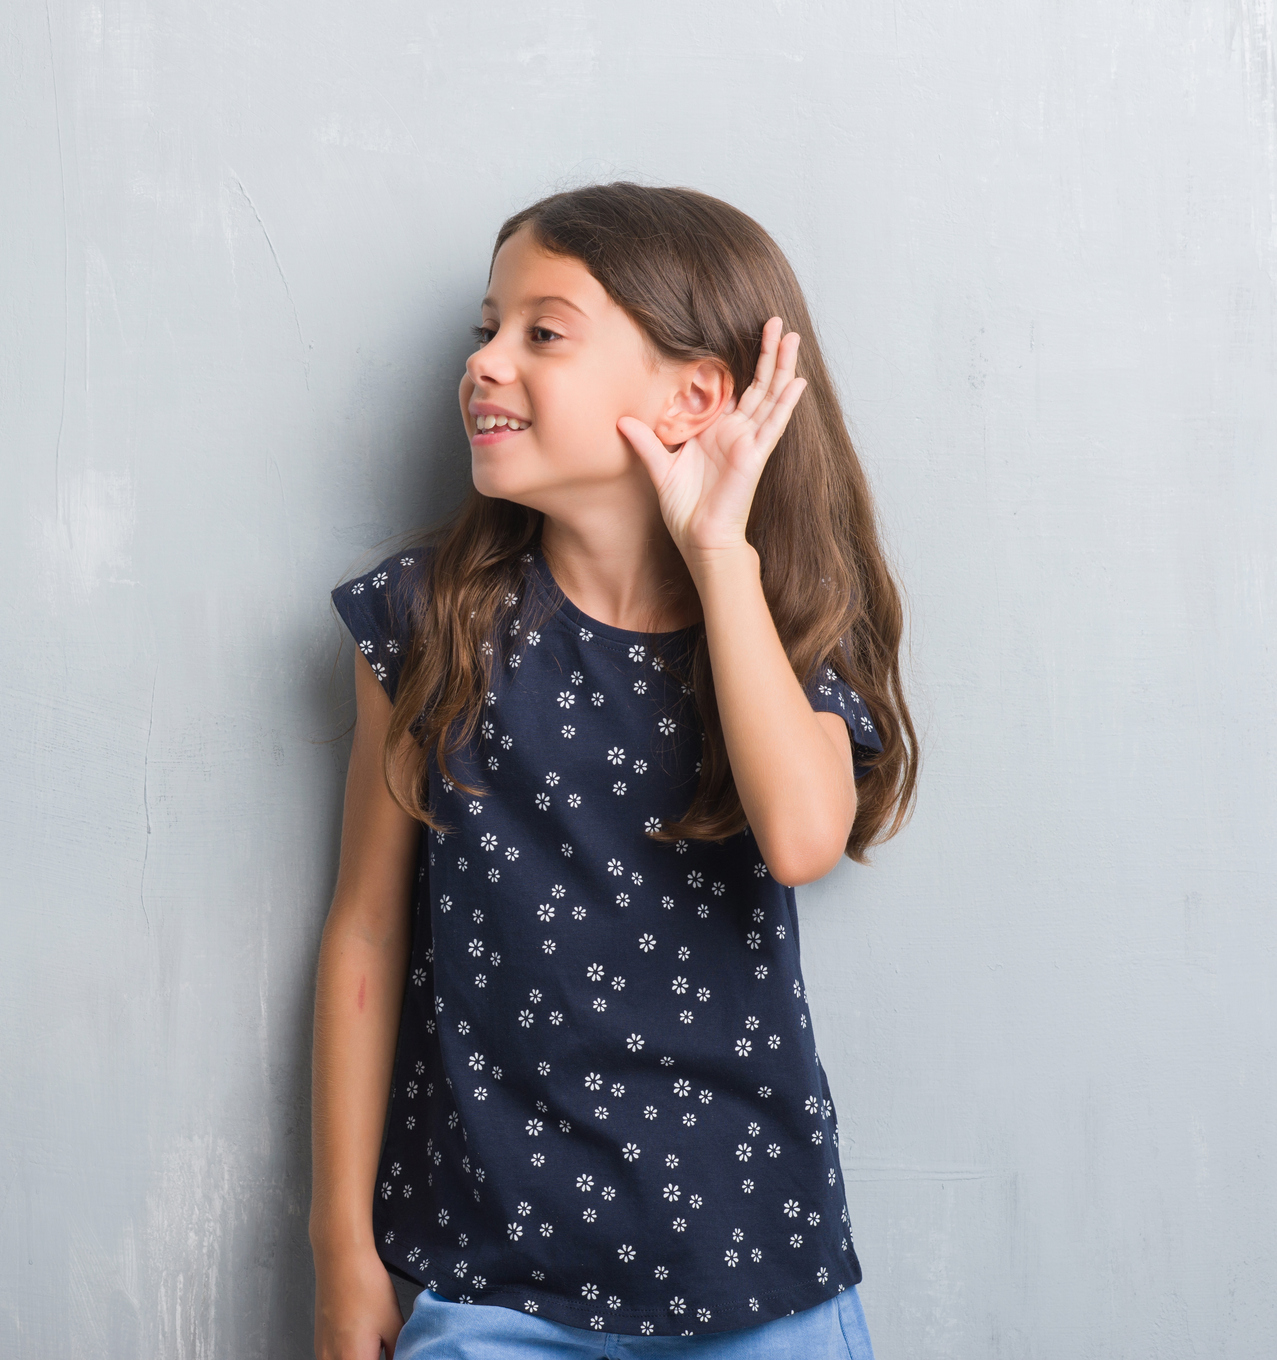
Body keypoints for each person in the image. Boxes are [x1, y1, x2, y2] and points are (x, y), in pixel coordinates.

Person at [309, 183, 920, 1360]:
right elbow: (366, 935)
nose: (484, 363)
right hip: (487, 1284)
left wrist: (718, 555)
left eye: (542, 332)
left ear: (694, 397)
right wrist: (345, 1252)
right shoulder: (426, 621)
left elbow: (801, 838)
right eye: (485, 329)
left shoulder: (783, 628)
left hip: (756, 1287)